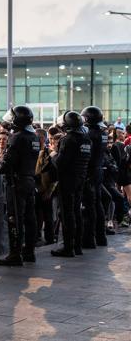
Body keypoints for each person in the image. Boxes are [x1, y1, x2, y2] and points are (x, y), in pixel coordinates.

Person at [0, 106, 40, 266]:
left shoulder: (17, 137)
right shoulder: (33, 137)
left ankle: (15, 254)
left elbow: (6, 165)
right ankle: (29, 252)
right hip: (29, 180)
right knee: (30, 218)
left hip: (16, 183)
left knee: (14, 218)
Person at [51, 111, 92, 257]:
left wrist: (53, 156)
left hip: (67, 180)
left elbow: (61, 163)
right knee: (76, 212)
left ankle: (68, 248)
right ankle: (78, 246)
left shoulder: (68, 139)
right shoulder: (86, 139)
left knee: (67, 213)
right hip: (81, 178)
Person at [80, 106, 109, 248]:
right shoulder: (102, 133)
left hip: (90, 172)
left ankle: (89, 240)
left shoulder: (90, 134)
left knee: (89, 207)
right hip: (98, 171)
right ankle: (101, 237)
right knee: (98, 205)